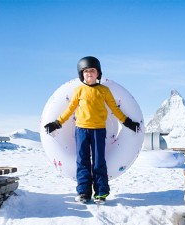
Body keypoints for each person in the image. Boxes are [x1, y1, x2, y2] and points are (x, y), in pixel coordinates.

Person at [44, 56, 140, 204]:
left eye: (92, 71)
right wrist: (57, 123)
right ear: (81, 74)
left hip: (99, 130)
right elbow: (70, 109)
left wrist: (127, 122)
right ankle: (83, 192)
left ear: (98, 73)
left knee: (98, 161)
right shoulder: (79, 91)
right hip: (81, 130)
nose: (89, 73)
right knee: (82, 161)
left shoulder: (104, 90)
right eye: (86, 71)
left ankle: (101, 192)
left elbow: (114, 109)